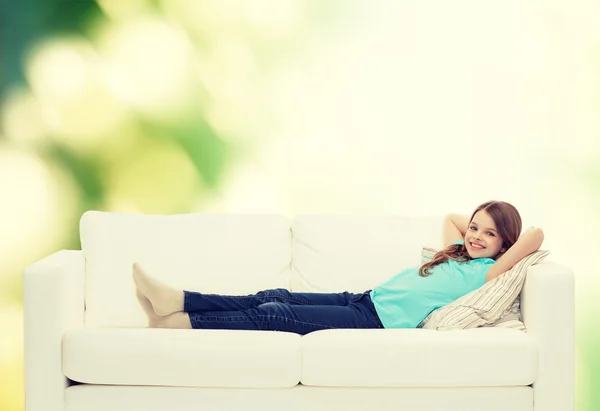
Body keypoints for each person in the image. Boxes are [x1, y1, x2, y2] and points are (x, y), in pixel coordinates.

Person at [133, 200, 544, 334]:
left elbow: (535, 236)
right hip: (365, 298)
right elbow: (453, 218)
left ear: (504, 244)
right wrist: (473, 227)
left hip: (375, 320)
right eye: (475, 228)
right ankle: (179, 299)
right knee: (274, 295)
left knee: (278, 315)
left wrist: (501, 241)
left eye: (489, 234)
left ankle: (184, 321)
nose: (475, 236)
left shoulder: (487, 272)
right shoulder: (455, 252)